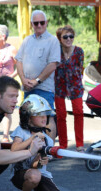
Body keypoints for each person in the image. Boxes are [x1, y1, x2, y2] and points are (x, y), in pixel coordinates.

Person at [0, 76, 44, 191]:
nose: (15, 100)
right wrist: (30, 152)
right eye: (11, 96)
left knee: (8, 153)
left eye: (17, 96)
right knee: (3, 157)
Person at [10, 94, 67, 191]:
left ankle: (38, 190)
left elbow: (35, 166)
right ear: (28, 117)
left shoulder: (48, 139)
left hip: (39, 174)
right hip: (20, 174)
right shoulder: (21, 131)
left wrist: (42, 160)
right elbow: (13, 150)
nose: (44, 118)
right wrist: (32, 139)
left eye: (45, 114)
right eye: (39, 114)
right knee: (34, 176)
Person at [16, 10, 61, 142]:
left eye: (42, 22)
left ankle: (49, 149)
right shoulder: (27, 40)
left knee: (47, 118)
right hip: (28, 88)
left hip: (44, 87)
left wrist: (37, 81)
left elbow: (53, 64)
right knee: (27, 119)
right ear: (31, 24)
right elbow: (18, 60)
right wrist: (23, 79)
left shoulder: (52, 41)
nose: (39, 25)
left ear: (46, 23)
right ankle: (30, 148)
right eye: (36, 23)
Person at [55, 25, 84, 152]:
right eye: (65, 36)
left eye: (71, 36)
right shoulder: (55, 51)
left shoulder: (78, 51)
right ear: (60, 38)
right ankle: (62, 145)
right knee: (61, 115)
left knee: (78, 113)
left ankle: (80, 144)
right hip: (59, 87)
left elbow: (79, 69)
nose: (68, 39)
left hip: (75, 87)